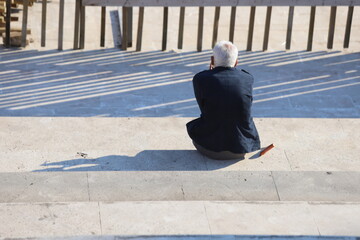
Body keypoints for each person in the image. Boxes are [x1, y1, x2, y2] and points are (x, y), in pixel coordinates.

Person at [186, 41, 260, 160]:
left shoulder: (200, 79)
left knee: (193, 126)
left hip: (209, 147)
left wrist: (209, 74)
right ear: (236, 62)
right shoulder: (248, 78)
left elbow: (204, 108)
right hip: (242, 147)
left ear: (212, 60)